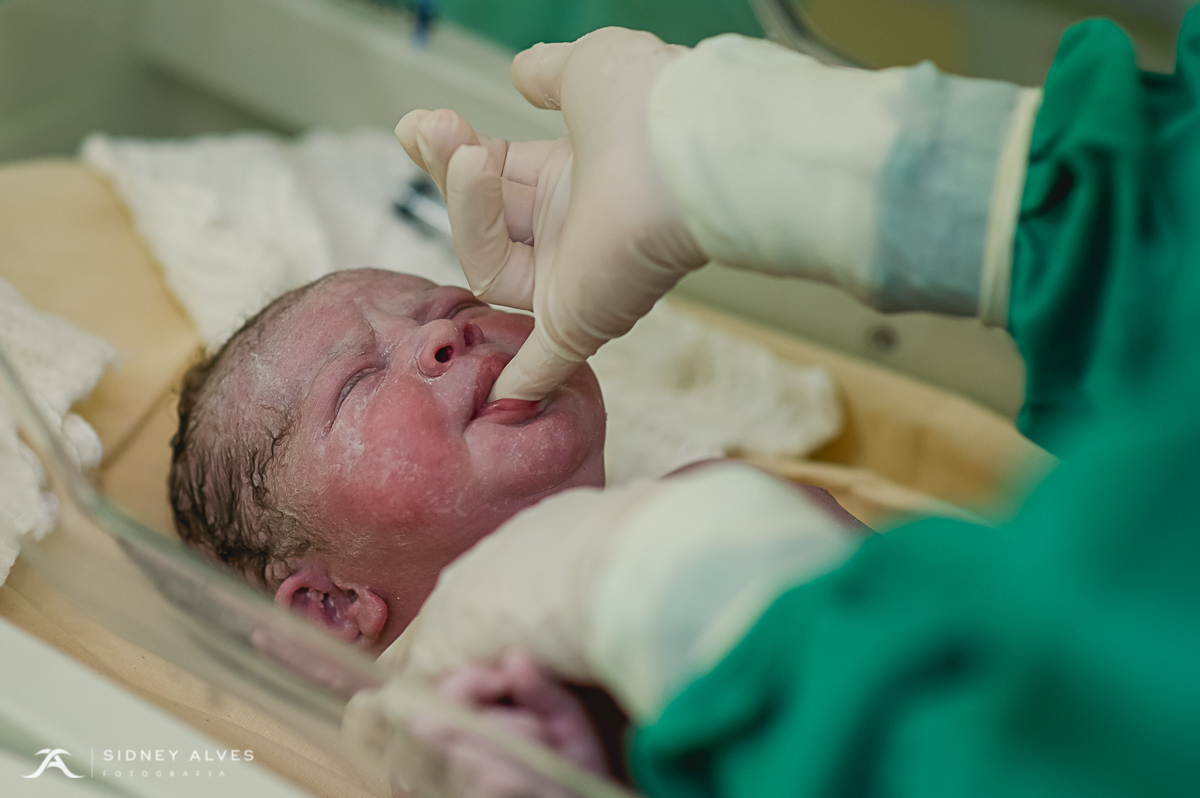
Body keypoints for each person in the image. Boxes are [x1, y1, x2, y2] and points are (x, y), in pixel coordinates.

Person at [382, 15, 1200, 798]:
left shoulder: (719, 513)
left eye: (455, 305)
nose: (447, 334)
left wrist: (691, 602)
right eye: (352, 382)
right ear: (330, 606)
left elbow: (1070, 721)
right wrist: (955, 183)